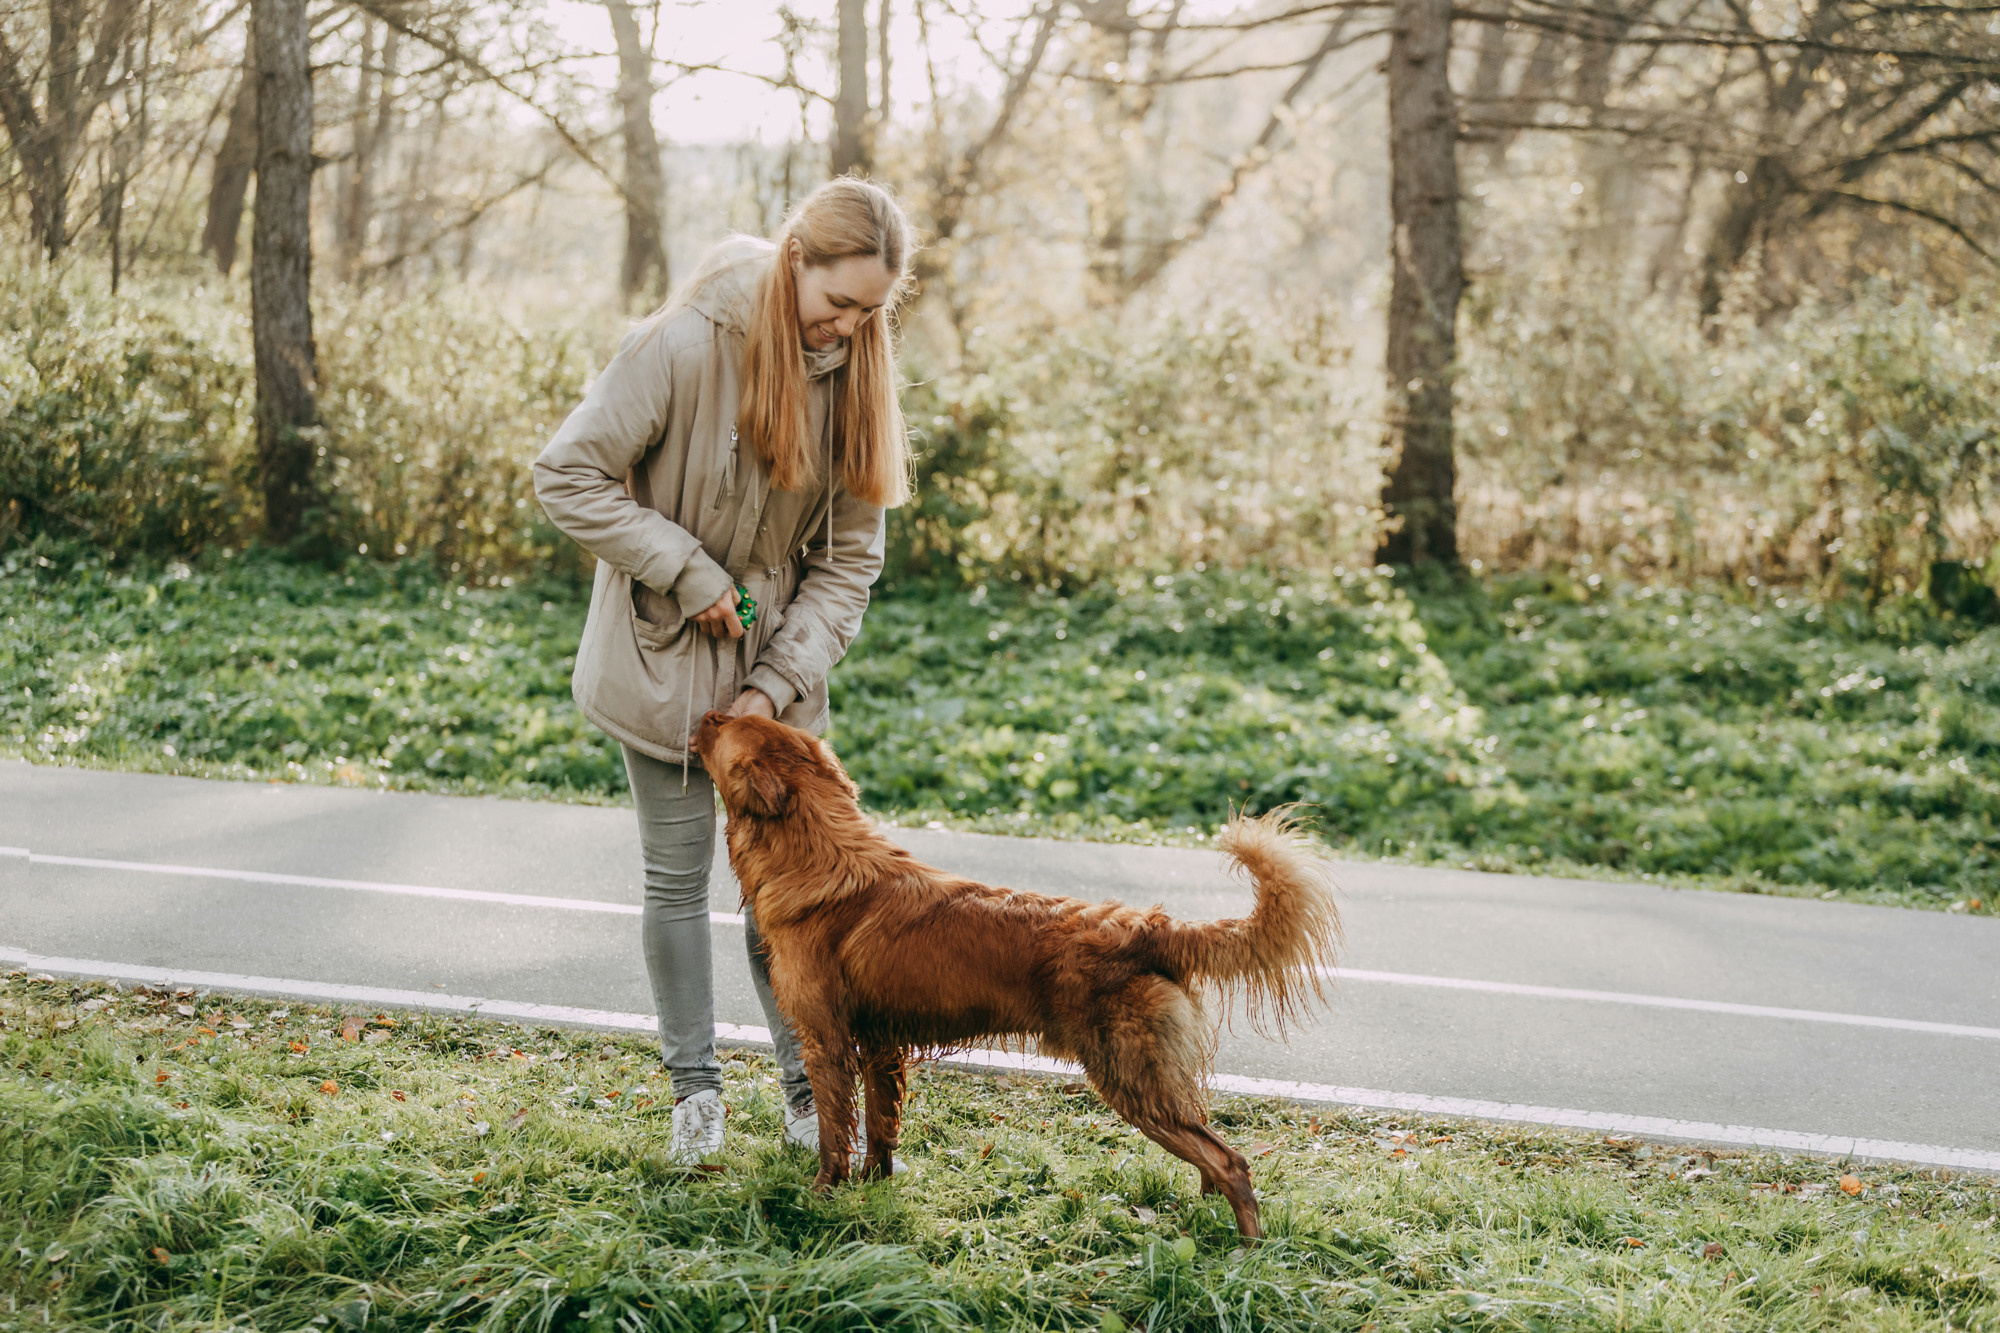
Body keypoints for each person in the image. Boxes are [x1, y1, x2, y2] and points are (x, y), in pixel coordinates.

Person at [532, 178, 912, 1163]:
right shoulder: (681, 345)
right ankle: (694, 1098)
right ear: (795, 261)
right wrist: (686, 569)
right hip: (658, 658)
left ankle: (806, 1092)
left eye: (870, 312)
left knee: (782, 894)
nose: (849, 328)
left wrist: (771, 688)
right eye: (838, 302)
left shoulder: (857, 376)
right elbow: (565, 474)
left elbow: (847, 566)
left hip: (774, 677)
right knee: (675, 882)